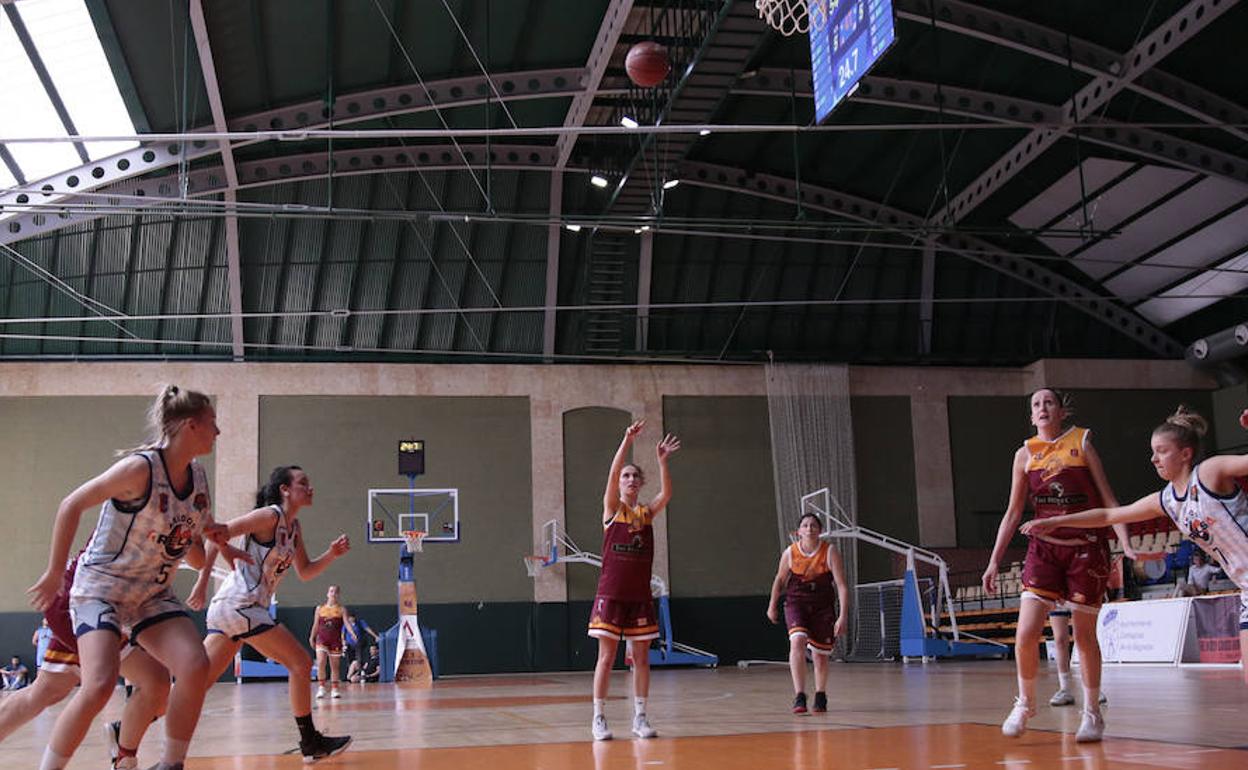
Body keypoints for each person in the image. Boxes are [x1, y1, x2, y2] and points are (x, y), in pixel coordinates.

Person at [26, 384, 228, 770]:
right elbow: (71, 504)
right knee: (99, 685)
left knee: (195, 665)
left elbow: (197, 556)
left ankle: (168, 763)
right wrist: (54, 572)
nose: (217, 432)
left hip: (150, 593)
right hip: (100, 588)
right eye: (212, 423)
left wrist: (211, 535)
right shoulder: (140, 468)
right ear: (190, 426)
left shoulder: (198, 478)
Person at [1022, 405, 1248, 684]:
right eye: (1153, 451)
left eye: (1162, 451)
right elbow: (1108, 515)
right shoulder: (1166, 500)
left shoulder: (1209, 473)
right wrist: (1057, 522)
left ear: (1186, 454)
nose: (1153, 459)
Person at [980, 387, 1133, 743]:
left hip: (1087, 549)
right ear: (1031, 416)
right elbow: (1014, 512)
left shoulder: (1082, 443)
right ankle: (1025, 704)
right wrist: (993, 560)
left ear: (1062, 411)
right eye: (1036, 404)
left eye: (1049, 402)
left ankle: (1092, 713)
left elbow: (1109, 499)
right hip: (1044, 551)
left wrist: (1125, 542)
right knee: (1025, 633)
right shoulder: (1024, 455)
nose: (1042, 407)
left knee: (1084, 637)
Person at [200, 465, 352, 763]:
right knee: (301, 662)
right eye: (303, 483)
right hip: (240, 603)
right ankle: (310, 742)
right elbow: (215, 533)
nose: (310, 488)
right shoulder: (270, 516)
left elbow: (306, 572)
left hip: (235, 609)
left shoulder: (293, 529)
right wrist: (201, 582)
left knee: (197, 683)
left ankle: (128, 727)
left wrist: (331, 555)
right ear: (285, 489)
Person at [2, 554, 175, 770]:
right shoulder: (139, 525)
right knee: (151, 681)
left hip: (87, 596)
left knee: (46, 691)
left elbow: (198, 553)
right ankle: (124, 757)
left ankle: (124, 748)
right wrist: (55, 571)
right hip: (87, 599)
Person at [588, 420, 680, 741]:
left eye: (634, 476)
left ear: (640, 484)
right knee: (607, 657)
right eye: (626, 476)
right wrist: (626, 440)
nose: (628, 479)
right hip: (611, 594)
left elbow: (667, 493)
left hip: (639, 596)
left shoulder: (645, 514)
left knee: (641, 658)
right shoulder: (612, 509)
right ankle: (598, 717)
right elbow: (612, 475)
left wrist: (662, 460)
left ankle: (640, 716)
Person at [766, 512, 850, 714]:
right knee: (797, 641)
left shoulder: (829, 552)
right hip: (797, 602)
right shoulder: (790, 553)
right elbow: (779, 579)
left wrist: (843, 616)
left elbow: (841, 586)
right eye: (805, 525)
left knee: (820, 656)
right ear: (798, 531)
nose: (809, 528)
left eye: (813, 525)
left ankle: (820, 694)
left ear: (820, 530)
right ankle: (799, 695)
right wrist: (772, 604)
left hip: (822, 605)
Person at [310, 585, 349, 700]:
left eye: (336, 592)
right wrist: (311, 637)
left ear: (338, 595)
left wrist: (352, 633)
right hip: (321, 639)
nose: (333, 593)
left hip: (335, 640)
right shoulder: (320, 609)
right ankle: (321, 687)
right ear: (327, 593)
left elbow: (346, 623)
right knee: (321, 662)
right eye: (331, 591)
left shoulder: (341, 609)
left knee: (334, 666)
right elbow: (316, 624)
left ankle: (335, 689)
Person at [343, 613, 380, 684]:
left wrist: (375, 636)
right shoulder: (346, 624)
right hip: (349, 646)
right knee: (351, 662)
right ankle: (349, 677)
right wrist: (343, 643)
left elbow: (367, 629)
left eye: (352, 617)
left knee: (358, 658)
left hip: (359, 644)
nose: (350, 619)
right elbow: (343, 635)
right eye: (349, 618)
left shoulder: (360, 623)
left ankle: (360, 675)